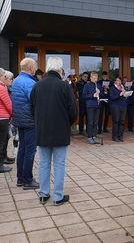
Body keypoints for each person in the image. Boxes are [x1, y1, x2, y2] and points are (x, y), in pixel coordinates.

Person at [30, 57, 77, 205]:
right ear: (60, 70)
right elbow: (73, 111)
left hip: (42, 130)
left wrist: (39, 122)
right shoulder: (64, 86)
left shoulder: (37, 86)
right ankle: (57, 196)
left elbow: (32, 109)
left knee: (43, 163)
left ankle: (43, 194)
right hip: (60, 130)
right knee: (59, 164)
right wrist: (66, 123)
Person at [11, 58, 39, 190]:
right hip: (29, 121)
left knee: (22, 149)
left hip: (19, 120)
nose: (35, 68)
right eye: (35, 66)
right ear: (31, 67)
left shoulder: (16, 80)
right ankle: (27, 180)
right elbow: (34, 101)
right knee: (30, 150)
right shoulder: (29, 82)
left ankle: (20, 178)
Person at [83, 72, 103, 144]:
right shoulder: (87, 85)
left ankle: (94, 136)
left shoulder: (99, 85)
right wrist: (93, 95)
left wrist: (99, 92)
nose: (95, 80)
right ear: (91, 78)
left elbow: (102, 95)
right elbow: (84, 96)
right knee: (90, 122)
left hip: (97, 105)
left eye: (96, 78)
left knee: (95, 122)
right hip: (90, 105)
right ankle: (89, 137)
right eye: (94, 78)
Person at [109, 76, 127, 142]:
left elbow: (124, 97)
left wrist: (126, 94)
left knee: (122, 122)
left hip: (123, 106)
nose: (119, 82)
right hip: (115, 106)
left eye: (120, 81)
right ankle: (115, 137)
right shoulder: (112, 88)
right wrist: (119, 94)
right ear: (115, 81)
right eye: (117, 81)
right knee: (116, 121)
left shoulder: (122, 87)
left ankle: (120, 136)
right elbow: (111, 97)